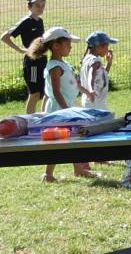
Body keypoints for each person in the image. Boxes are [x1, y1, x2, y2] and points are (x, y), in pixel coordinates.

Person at [31, 26, 91, 181]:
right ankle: (48, 174)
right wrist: (66, 110)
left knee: (73, 138)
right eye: (67, 44)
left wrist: (76, 102)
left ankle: (78, 169)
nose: (70, 47)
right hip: (60, 110)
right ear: (56, 46)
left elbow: (71, 85)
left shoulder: (64, 65)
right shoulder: (55, 67)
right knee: (57, 142)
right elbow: (55, 92)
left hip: (66, 107)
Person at [0, 0, 49, 113]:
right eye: (37, 5)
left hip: (42, 60)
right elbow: (4, 37)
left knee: (46, 91)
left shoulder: (40, 21)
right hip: (32, 62)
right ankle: (30, 121)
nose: (40, 8)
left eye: (43, 5)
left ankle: (44, 117)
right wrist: (20, 49)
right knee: (34, 93)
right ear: (29, 6)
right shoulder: (25, 21)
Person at [79, 31, 115, 111]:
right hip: (94, 100)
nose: (107, 49)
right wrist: (91, 89)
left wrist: (109, 63)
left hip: (88, 99)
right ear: (99, 47)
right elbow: (91, 77)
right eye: (106, 46)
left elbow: (100, 76)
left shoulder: (87, 59)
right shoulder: (95, 61)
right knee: (106, 122)